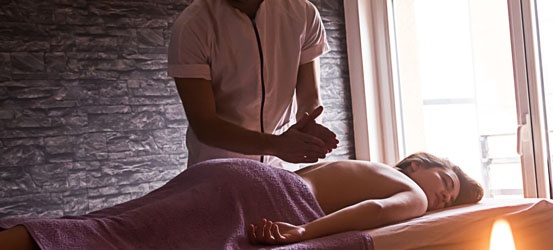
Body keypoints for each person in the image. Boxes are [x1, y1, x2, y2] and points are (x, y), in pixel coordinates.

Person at [0, 152, 484, 249]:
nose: (441, 196)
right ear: (419, 164)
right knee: (118, 238)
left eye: (448, 200)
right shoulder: (412, 192)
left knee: (113, 222)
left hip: (238, 172)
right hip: (264, 193)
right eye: (446, 181)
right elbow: (376, 214)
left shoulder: (364, 165)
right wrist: (300, 232)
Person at [167, 0, 339, 168]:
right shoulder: (192, 25)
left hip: (282, 168)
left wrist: (308, 126)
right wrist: (277, 145)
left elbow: (309, 95)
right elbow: (205, 125)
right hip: (218, 171)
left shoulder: (303, 12)